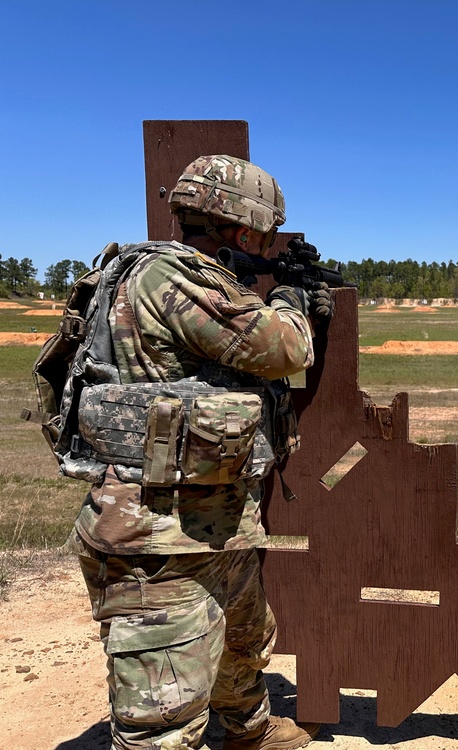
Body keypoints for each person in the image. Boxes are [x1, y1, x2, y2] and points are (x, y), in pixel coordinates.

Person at [67, 155, 328, 750]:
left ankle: (247, 732)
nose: (265, 247)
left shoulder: (186, 275)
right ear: (242, 231)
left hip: (211, 517)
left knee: (241, 641)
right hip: (155, 531)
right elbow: (281, 348)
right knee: (163, 707)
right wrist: (292, 300)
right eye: (263, 237)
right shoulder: (169, 277)